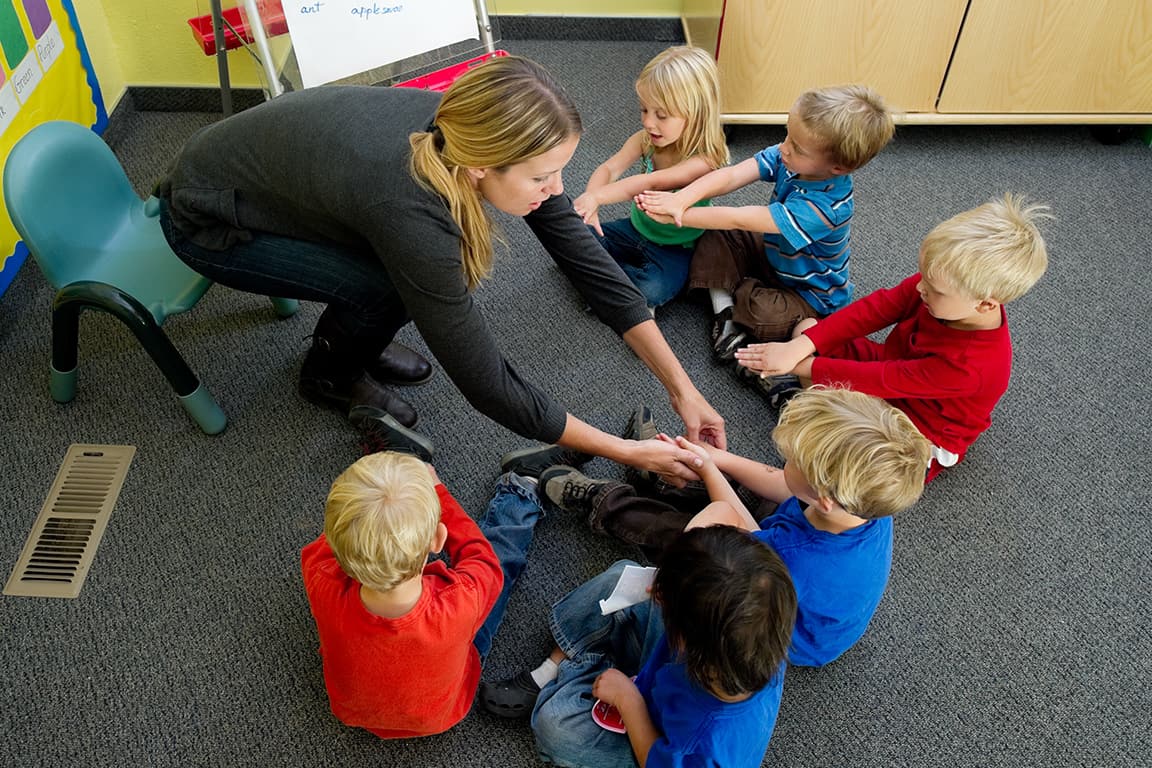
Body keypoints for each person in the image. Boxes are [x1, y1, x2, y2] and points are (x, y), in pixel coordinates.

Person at [156, 54, 723, 480]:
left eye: (559, 173)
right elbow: (486, 381)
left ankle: (359, 339)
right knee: (392, 289)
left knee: (405, 284)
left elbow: (587, 261)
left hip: (273, 177)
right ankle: (328, 374)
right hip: (209, 220)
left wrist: (683, 390)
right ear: (479, 166)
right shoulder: (410, 208)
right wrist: (625, 451)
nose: (556, 193)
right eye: (541, 179)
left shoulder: (467, 123)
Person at [536, 387, 930, 667]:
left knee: (689, 541)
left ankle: (604, 500)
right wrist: (713, 458)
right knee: (757, 489)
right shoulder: (863, 506)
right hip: (792, 561)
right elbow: (779, 482)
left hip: (770, 623)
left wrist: (707, 467)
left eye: (793, 458)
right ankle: (664, 472)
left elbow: (732, 515)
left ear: (826, 498)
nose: (783, 459)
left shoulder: (795, 556)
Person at [735, 194, 1050, 481]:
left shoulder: (972, 365)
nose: (919, 288)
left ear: (985, 304)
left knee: (857, 465)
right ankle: (808, 403)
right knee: (807, 330)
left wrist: (797, 365)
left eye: (934, 289)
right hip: (890, 370)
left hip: (918, 429)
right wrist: (803, 347)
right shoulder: (938, 286)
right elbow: (877, 309)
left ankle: (804, 401)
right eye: (923, 276)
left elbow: (887, 379)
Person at [299, 426, 554, 739]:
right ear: (438, 538)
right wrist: (437, 492)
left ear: (339, 549)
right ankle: (521, 490)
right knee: (498, 563)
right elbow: (481, 557)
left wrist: (370, 503)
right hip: (440, 713)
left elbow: (331, 538)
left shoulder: (320, 577)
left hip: (356, 712)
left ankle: (520, 485)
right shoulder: (460, 600)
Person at [480, 525, 796, 768]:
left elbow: (654, 760)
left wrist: (628, 700)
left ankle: (574, 667)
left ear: (686, 641)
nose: (656, 593)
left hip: (655, 741)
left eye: (666, 601)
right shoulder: (756, 629)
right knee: (622, 577)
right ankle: (555, 667)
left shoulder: (706, 741)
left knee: (557, 728)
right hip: (674, 672)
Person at [636, 84, 894, 358]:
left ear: (838, 168)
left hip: (808, 294)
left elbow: (743, 218)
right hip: (774, 253)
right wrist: (682, 199)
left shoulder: (827, 208)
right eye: (787, 135)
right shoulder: (790, 156)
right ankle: (725, 310)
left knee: (763, 312)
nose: (783, 148)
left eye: (797, 147)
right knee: (713, 232)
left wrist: (679, 215)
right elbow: (733, 176)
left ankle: (734, 298)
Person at [571, 45, 729, 312]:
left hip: (675, 248)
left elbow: (650, 183)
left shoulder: (705, 161)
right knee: (577, 234)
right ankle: (614, 287)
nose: (647, 122)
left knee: (652, 287)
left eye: (661, 115)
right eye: (644, 109)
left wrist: (598, 197)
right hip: (635, 230)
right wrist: (591, 203)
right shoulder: (646, 140)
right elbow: (609, 169)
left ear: (696, 114)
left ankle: (610, 285)